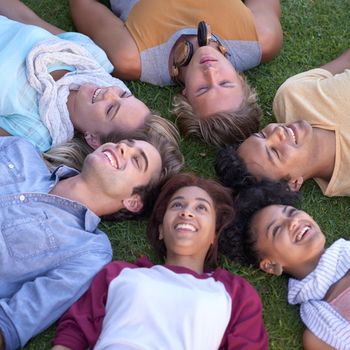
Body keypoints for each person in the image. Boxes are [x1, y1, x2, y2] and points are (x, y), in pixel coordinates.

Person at [0, 131, 183, 350]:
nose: (122, 147)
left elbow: (12, 323)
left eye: (136, 160)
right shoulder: (20, 149)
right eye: (123, 142)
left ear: (134, 201)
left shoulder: (88, 251)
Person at [51, 173, 268, 350]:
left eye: (201, 208)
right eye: (177, 205)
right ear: (162, 230)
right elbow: (75, 332)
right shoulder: (117, 274)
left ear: (213, 235)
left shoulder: (236, 294)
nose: (187, 213)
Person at [69, 0, 283, 147]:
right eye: (225, 83)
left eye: (203, 89)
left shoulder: (132, 56)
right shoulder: (261, 37)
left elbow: (83, 4)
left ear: (185, 96)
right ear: (240, 79)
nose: (211, 72)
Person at [0, 0, 178, 152]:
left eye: (110, 109)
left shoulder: (37, 133)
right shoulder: (90, 58)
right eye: (123, 94)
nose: (109, 93)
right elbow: (27, 20)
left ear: (93, 139)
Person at [221, 180, 350, 350]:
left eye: (291, 212)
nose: (293, 222)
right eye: (276, 229)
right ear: (270, 265)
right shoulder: (320, 332)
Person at [217, 49, 350, 196]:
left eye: (262, 134)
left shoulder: (291, 98)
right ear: (293, 183)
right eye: (274, 152)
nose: (277, 133)